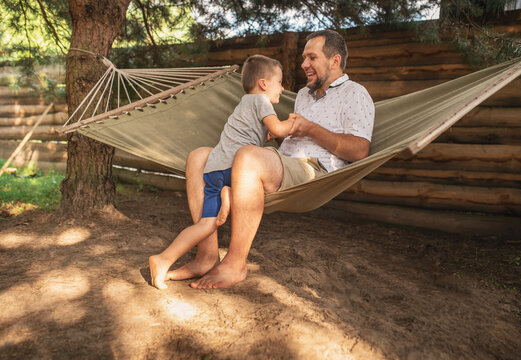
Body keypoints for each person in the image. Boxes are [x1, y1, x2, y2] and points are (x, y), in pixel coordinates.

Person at [171, 29, 375, 289]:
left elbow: (359, 151)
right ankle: (206, 255)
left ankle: (235, 264)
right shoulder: (303, 95)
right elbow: (294, 140)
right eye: (304, 58)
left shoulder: (355, 94)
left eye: (311, 58)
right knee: (198, 157)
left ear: (334, 61)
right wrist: (279, 137)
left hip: (315, 169)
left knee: (247, 156)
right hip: (281, 160)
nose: (304, 65)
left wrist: (309, 128)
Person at [149, 54, 294, 290]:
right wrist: (295, 123)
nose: (283, 88)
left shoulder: (245, 103)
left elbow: (257, 134)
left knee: (207, 224)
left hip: (214, 171)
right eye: (279, 82)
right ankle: (229, 195)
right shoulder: (261, 102)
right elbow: (278, 128)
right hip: (231, 169)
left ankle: (163, 259)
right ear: (264, 84)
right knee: (247, 173)